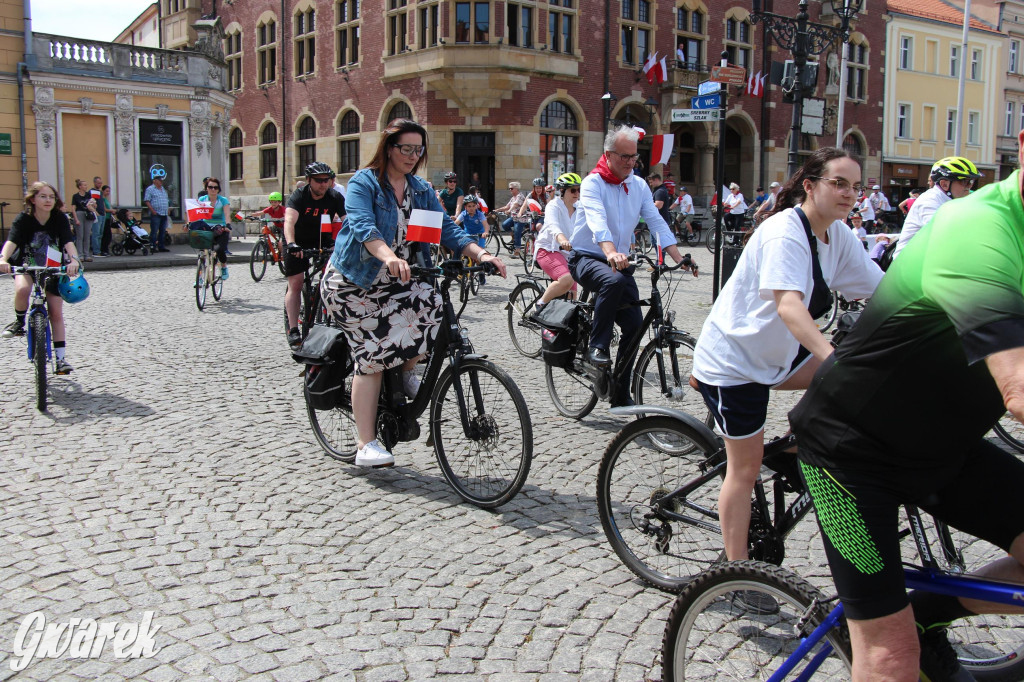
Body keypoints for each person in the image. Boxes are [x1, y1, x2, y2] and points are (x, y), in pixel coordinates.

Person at [788, 132, 1024, 682]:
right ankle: (892, 633)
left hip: (947, 445)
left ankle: (924, 615)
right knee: (891, 659)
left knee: (907, 628)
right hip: (845, 456)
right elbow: (1017, 388)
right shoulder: (980, 228)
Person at [691, 147, 883, 575]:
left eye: (856, 186)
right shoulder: (785, 232)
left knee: (865, 384)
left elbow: (885, 291)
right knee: (745, 469)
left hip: (779, 355)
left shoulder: (839, 235)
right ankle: (736, 573)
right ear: (811, 185)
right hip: (735, 361)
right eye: (839, 183)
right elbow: (790, 307)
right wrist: (832, 358)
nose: (849, 193)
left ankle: (797, 443)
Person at [321, 118, 507, 467]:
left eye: (417, 149)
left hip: (396, 279)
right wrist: (389, 256)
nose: (412, 155)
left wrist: (481, 254)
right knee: (373, 356)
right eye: (405, 148)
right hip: (353, 283)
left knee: (435, 304)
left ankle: (406, 373)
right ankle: (365, 445)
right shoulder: (365, 183)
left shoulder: (420, 189)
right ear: (388, 148)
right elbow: (364, 227)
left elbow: (446, 230)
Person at [568, 124, 694, 406]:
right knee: (612, 281)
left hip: (619, 261)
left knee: (635, 327)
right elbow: (596, 220)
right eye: (624, 157)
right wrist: (611, 250)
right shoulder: (592, 183)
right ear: (608, 154)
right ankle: (596, 348)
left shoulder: (638, 185)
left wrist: (677, 256)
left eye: (634, 157)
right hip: (588, 257)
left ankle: (621, 395)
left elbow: (656, 221)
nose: (630, 162)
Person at [0, 181, 81, 374]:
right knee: (22, 289)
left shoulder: (59, 218)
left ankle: (61, 360)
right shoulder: (23, 219)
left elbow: (68, 242)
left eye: (51, 197)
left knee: (55, 312)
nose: (48, 200)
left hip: (52, 267)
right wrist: (3, 258)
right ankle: (19, 321)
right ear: (33, 199)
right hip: (27, 264)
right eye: (43, 196)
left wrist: (74, 261)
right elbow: (12, 241)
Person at [283, 162, 347, 349]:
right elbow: (289, 221)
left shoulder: (334, 197)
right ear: (309, 180)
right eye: (318, 181)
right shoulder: (299, 196)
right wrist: (291, 244)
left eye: (326, 180)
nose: (323, 184)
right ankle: (294, 329)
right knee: (295, 283)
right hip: (297, 240)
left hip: (322, 240)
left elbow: (348, 221)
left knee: (336, 276)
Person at [893, 156, 981, 259]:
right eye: (964, 182)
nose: (969, 186)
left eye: (971, 182)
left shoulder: (952, 200)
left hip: (929, 259)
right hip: (908, 264)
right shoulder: (929, 201)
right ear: (944, 184)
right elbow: (944, 234)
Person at [531, 172, 582, 312]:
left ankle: (561, 325)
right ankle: (540, 305)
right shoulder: (554, 206)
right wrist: (563, 239)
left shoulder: (580, 208)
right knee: (567, 279)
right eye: (573, 190)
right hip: (548, 249)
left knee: (572, 298)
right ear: (562, 191)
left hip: (568, 253)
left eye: (579, 189)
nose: (576, 193)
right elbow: (553, 226)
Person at [197, 177, 232, 280]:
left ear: (218, 189)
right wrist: (190, 224)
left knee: (220, 249)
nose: (213, 189)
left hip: (220, 228)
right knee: (201, 253)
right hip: (206, 227)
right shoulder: (202, 200)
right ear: (206, 188)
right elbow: (195, 213)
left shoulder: (223, 200)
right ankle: (199, 277)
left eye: (215, 188)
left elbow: (226, 214)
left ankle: (224, 267)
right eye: (210, 187)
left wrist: (227, 224)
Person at [514, 178, 546, 256]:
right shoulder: (531, 195)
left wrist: (545, 212)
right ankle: (531, 248)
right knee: (531, 229)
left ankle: (543, 243)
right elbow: (524, 205)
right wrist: (520, 213)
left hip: (543, 216)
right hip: (534, 215)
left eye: (540, 188)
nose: (538, 190)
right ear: (534, 188)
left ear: (542, 188)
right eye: (537, 188)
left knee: (538, 226)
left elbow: (550, 206)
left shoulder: (546, 195)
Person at [143, 172, 170, 253]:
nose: (161, 182)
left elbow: (166, 200)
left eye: (161, 181)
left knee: (162, 231)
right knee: (154, 231)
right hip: (156, 213)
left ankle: (161, 246)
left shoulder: (163, 189)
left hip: (164, 213)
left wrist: (168, 209)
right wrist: (152, 210)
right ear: (155, 181)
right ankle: (153, 246)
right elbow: (147, 200)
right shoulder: (150, 189)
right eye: (159, 180)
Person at [70, 179, 95, 262]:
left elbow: (94, 205)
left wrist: (94, 203)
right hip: (79, 214)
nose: (86, 186)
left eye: (86, 185)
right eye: (84, 185)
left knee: (87, 235)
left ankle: (86, 254)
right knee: (80, 236)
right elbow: (73, 208)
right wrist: (76, 219)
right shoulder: (75, 196)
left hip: (88, 214)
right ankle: (80, 255)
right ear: (80, 186)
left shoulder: (89, 195)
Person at [495, 182, 526, 248]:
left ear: (516, 189)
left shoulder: (520, 196)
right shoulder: (513, 198)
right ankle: (513, 237)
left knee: (517, 231)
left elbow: (516, 204)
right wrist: (497, 210)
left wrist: (509, 211)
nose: (510, 190)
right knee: (505, 225)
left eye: (511, 188)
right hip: (513, 217)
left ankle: (517, 250)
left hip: (520, 218)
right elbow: (507, 206)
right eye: (509, 188)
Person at [648, 174, 674, 242]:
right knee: (657, 244)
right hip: (659, 221)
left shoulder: (660, 191)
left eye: (651, 182)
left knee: (659, 244)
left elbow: (658, 205)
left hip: (660, 222)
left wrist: (646, 204)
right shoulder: (658, 190)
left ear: (656, 180)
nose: (650, 184)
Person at [89, 176, 106, 258]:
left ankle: (99, 250)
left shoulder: (100, 192)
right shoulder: (92, 192)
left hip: (102, 214)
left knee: (100, 234)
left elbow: (101, 203)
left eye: (101, 183)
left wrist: (104, 212)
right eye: (98, 183)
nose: (100, 184)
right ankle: (96, 251)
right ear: (95, 183)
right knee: (96, 233)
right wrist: (96, 212)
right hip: (97, 214)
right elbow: (93, 203)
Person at [98, 185, 113, 256]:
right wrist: (111, 210)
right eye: (106, 191)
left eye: (109, 191)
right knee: (105, 235)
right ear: (103, 191)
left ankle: (106, 249)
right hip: (105, 218)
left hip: (108, 218)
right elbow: (104, 209)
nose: (108, 192)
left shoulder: (106, 199)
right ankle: (103, 249)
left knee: (108, 235)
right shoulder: (102, 199)